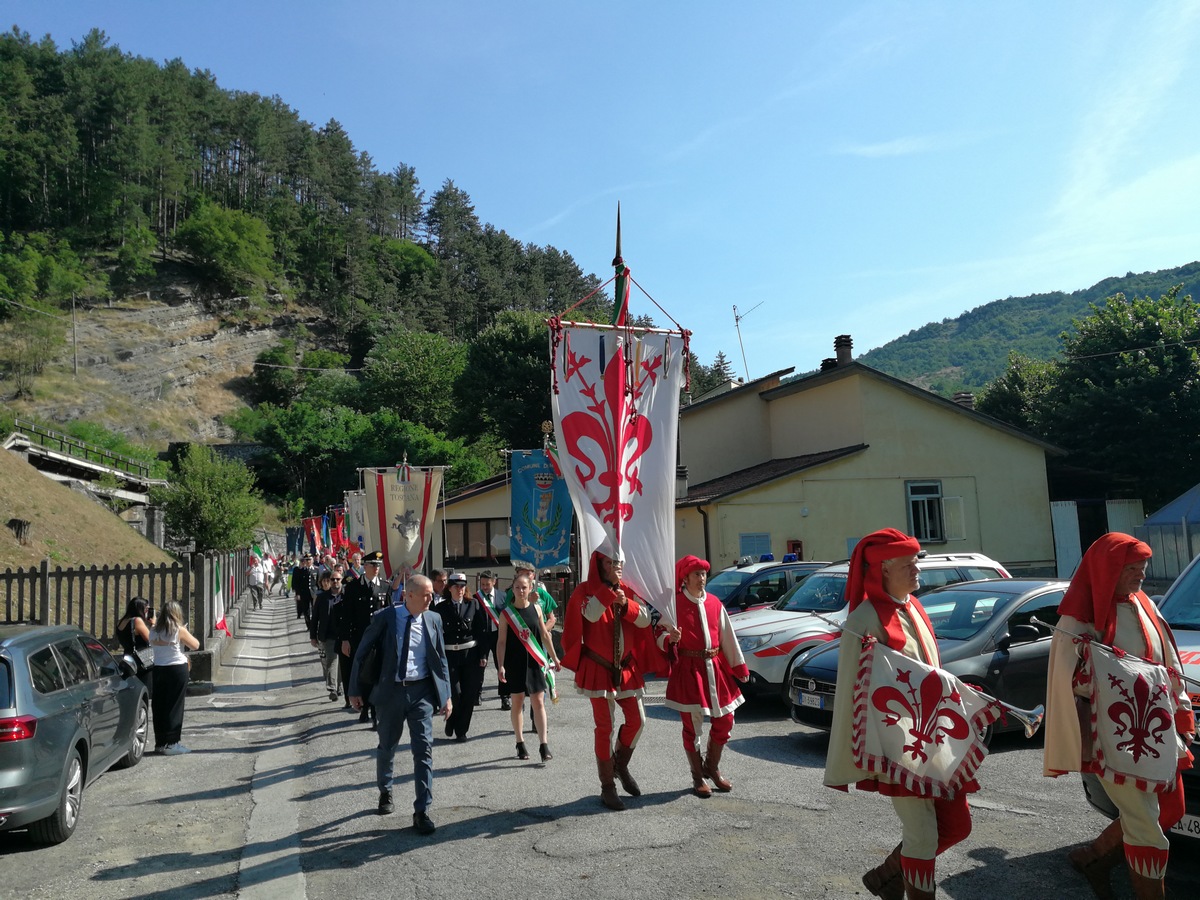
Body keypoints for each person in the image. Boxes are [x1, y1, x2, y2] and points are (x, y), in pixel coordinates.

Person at [1043, 533, 1195, 900]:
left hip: (1156, 728)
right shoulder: (1078, 616)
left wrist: (1182, 715)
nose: (1142, 573)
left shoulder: (1144, 603)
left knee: (1171, 808)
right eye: (1133, 567)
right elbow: (1067, 682)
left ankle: (1094, 858)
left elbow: (1169, 664)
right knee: (1146, 826)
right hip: (1110, 736)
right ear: (1110, 568)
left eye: (1143, 565)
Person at [824, 528, 973, 900]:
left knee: (957, 825)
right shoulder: (863, 620)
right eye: (909, 563)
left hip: (935, 737)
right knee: (922, 836)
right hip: (899, 745)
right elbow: (857, 694)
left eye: (916, 561)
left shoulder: (914, 605)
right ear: (884, 568)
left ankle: (886, 875)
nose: (917, 569)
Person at [350, 574, 451, 836]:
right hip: (391, 693)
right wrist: (354, 690)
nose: (432, 598)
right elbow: (362, 653)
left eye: (432, 594)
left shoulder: (434, 619)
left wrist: (446, 695)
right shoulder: (386, 618)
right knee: (388, 746)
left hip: (422, 693)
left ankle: (422, 810)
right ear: (409, 595)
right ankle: (385, 790)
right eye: (426, 594)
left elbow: (440, 659)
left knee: (424, 751)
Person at [561, 546, 657, 810]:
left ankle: (620, 766)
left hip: (626, 668)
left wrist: (625, 604)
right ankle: (607, 786)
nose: (618, 566)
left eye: (620, 562)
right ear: (601, 564)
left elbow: (646, 620)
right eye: (613, 562)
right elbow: (589, 614)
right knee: (605, 728)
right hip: (597, 667)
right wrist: (607, 594)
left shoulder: (629, 588)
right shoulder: (585, 590)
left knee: (638, 721)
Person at [659, 555, 749, 797]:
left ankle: (712, 767)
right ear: (685, 578)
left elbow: (727, 636)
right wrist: (670, 639)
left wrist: (739, 666)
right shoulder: (674, 605)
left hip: (715, 667)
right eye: (696, 574)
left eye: (703, 574)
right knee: (692, 726)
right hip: (689, 671)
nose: (701, 579)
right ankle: (698, 776)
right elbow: (658, 634)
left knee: (726, 719)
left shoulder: (715, 603)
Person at [497, 572, 562, 761]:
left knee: (539, 701)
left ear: (530, 588)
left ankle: (544, 745)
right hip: (514, 662)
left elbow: (544, 635)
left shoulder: (537, 610)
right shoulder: (506, 614)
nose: (520, 591)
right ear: (513, 589)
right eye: (517, 587)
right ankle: (520, 742)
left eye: (524, 587)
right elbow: (501, 642)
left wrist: (555, 658)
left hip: (534, 662)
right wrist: (501, 665)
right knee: (517, 702)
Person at [431, 572, 488, 742]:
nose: (460, 589)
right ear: (450, 588)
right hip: (449, 655)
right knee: (455, 694)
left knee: (469, 694)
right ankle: (452, 719)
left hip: (470, 654)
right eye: (456, 586)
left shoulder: (474, 605)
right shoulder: (440, 608)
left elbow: (482, 631)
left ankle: (461, 730)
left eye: (463, 586)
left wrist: (483, 654)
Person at [339, 551, 388, 724]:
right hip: (359, 638)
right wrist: (345, 639)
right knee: (361, 674)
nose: (376, 569)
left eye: (378, 566)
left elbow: (389, 615)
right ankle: (364, 706)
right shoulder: (353, 587)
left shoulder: (384, 586)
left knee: (376, 673)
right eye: (373, 565)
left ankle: (375, 711)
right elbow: (346, 616)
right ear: (364, 566)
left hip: (379, 640)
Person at [149, 600, 200, 755]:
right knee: (175, 705)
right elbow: (195, 645)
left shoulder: (153, 630)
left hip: (158, 668)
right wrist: (184, 631)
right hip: (177, 668)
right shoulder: (178, 630)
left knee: (159, 705)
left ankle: (160, 742)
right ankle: (173, 742)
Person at [309, 570, 341, 701]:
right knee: (331, 661)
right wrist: (313, 636)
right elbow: (315, 617)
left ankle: (339, 687)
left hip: (343, 635)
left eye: (336, 579)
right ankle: (332, 688)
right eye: (331, 580)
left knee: (341, 664)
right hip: (328, 636)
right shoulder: (322, 598)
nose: (334, 582)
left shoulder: (345, 596)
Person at [473, 570, 503, 707]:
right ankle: (477, 694)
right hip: (482, 637)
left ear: (494, 582)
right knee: (480, 667)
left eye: (487, 584)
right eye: (482, 584)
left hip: (498, 636)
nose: (484, 587)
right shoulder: (475, 598)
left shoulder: (502, 597)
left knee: (501, 666)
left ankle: (504, 696)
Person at [117, 597, 156, 696]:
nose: (147, 612)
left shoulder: (122, 621)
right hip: (142, 659)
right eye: (146, 609)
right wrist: (153, 624)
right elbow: (151, 639)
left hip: (129, 659)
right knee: (143, 691)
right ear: (140, 609)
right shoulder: (137, 621)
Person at [293, 553, 317, 626]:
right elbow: (298, 584)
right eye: (306, 560)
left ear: (312, 561)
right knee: (306, 610)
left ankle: (314, 624)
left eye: (309, 560)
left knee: (315, 609)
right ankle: (309, 625)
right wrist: (298, 594)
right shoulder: (301, 571)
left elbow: (319, 582)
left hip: (314, 593)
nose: (308, 561)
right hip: (304, 593)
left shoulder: (316, 570)